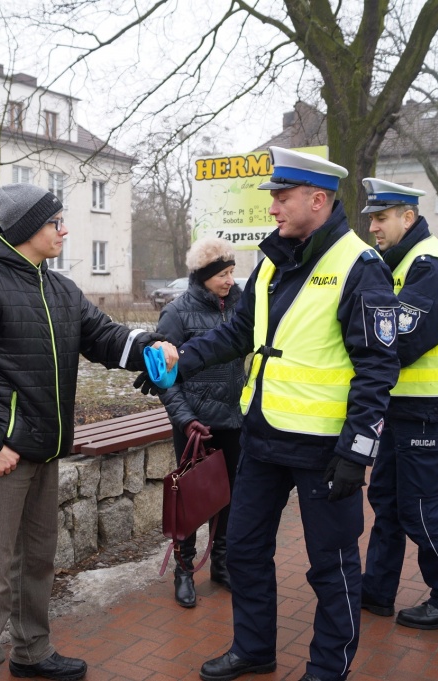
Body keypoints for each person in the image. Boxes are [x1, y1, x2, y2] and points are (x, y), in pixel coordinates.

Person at [158, 147, 400, 681]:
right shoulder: (271, 261)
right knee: (243, 550)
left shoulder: (360, 268)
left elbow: (378, 370)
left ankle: (327, 669)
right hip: (263, 440)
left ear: (318, 199)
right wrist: (179, 362)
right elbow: (237, 333)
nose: (272, 209)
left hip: (324, 451)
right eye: (272, 198)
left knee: (331, 568)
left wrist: (357, 451)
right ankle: (254, 649)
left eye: (282, 197)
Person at [0, 183, 176, 681]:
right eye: (54, 222)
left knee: (38, 560)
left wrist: (152, 345)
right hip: (4, 454)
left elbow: (102, 336)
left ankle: (31, 652)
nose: (64, 229)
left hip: (45, 448)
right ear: (26, 230)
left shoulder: (58, 288)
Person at [358, 178, 438, 630]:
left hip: (425, 410)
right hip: (400, 408)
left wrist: (359, 345)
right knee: (387, 500)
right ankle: (377, 590)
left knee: (421, 510)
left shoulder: (433, 266)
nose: (373, 228)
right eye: (370, 218)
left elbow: (404, 339)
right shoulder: (400, 263)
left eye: (381, 218)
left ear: (408, 216)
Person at [157, 237, 246, 608]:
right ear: (203, 275)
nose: (229, 280)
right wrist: (185, 419)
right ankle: (184, 569)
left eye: (231, 272)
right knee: (191, 500)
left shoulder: (243, 307)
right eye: (221, 274)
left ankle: (222, 564)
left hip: (235, 421)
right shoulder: (177, 313)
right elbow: (162, 375)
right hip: (195, 425)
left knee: (229, 498)